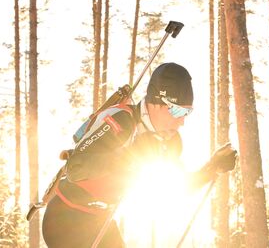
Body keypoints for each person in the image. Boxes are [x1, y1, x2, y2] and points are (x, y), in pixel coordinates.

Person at [42, 62, 237, 248]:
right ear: (155, 103)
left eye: (187, 112)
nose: (181, 122)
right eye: (177, 110)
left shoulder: (167, 143)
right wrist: (129, 157)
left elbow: (178, 189)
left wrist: (213, 168)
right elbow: (76, 167)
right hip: (66, 217)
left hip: (100, 219)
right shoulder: (121, 121)